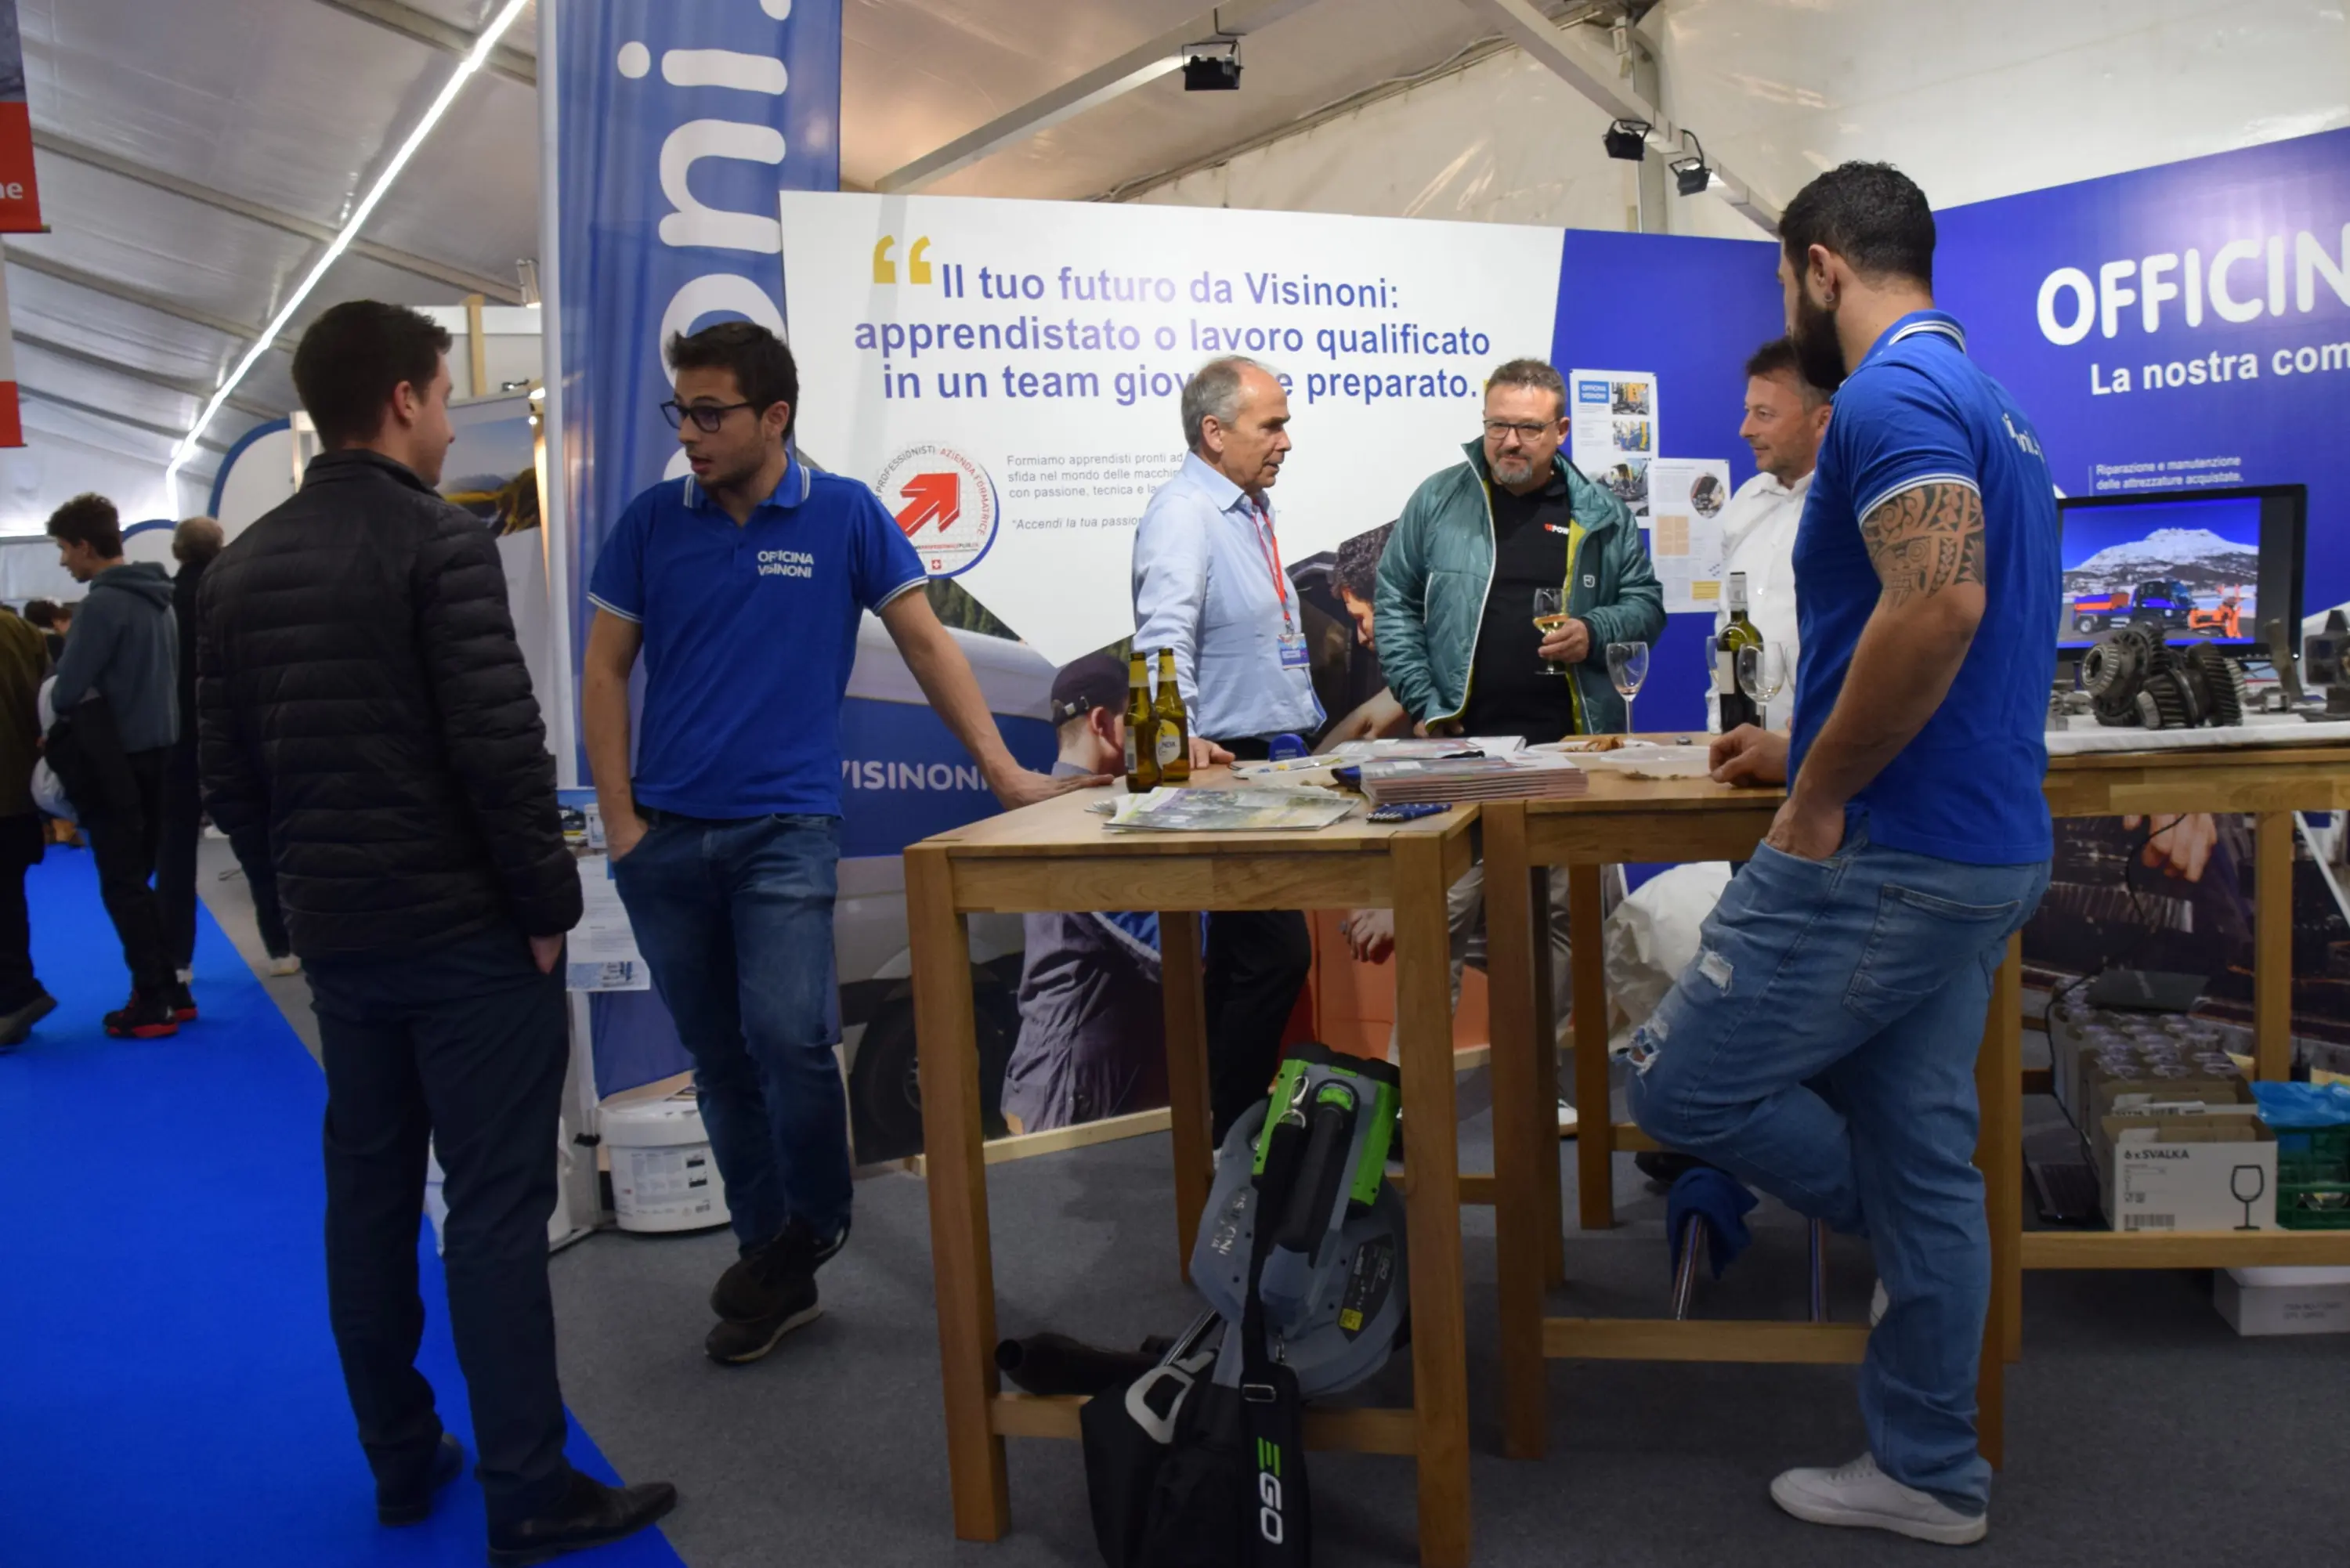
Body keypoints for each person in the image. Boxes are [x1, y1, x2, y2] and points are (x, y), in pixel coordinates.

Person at [199, 299, 674, 1561]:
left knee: (365, 1200)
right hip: (467, 940)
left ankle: (401, 1460)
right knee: (495, 1210)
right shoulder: (437, 547)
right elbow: (498, 750)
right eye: (447, 391)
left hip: (347, 946)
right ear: (405, 399)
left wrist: (291, 905)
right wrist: (544, 906)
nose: (454, 413)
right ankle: (528, 1485)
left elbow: (229, 774)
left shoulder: (240, 566)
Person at [1625, 163, 2059, 1545]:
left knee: (1685, 1086)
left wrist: (1813, 792)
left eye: (1780, 288)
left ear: (1819, 267)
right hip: (1976, 842)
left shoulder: (1889, 393)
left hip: (1892, 847)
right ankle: (1930, 1470)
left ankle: (1936, 1287)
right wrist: (1798, 739)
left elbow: (1938, 607)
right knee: (1929, 1159)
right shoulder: (1990, 401)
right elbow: (1935, 617)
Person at [584, 320, 1086, 1366]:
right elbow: (603, 669)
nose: (691, 432)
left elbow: (925, 640)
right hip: (666, 840)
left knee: (789, 1038)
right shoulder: (648, 523)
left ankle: (814, 1217)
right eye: (681, 410)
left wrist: (1003, 772)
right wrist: (621, 821)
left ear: (776, 416)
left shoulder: (846, 513)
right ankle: (775, 1262)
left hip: (784, 831)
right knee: (717, 1060)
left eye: (711, 411)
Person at [1368, 359, 1665, 1127]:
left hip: (1567, 756)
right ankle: (1409, 1094)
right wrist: (1422, 700)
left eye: (1527, 427)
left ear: (1560, 431)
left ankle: (1537, 1081)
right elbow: (1394, 597)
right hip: (1461, 752)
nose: (1508, 440)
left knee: (1563, 923)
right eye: (1497, 423)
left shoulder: (1599, 509)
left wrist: (1593, 631)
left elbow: (1647, 605)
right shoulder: (1441, 497)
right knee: (1438, 914)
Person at [1130, 356, 1318, 1140]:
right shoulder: (1185, 512)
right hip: (1226, 769)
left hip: (1267, 764)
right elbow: (1161, 637)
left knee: (1248, 960)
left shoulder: (1245, 506)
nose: (1286, 440)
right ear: (1215, 433)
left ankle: (1218, 1133)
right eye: (1269, 425)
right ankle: (1231, 1132)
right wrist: (1171, 759)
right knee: (1272, 957)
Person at [999, 654, 1191, 1134]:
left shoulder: (1067, 807)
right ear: (1105, 723)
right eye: (1140, 719)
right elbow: (1176, 950)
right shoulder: (1083, 821)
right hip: (1071, 1091)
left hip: (1063, 1079)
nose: (1150, 734)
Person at [47, 492, 185, 1036]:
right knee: (139, 878)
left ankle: (152, 1001)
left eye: (63, 548)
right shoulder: (161, 598)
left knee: (121, 884)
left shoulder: (102, 606)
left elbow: (67, 691)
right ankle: (172, 987)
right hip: (162, 753)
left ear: (84, 545)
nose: (63, 561)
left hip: (116, 763)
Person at [1712, 338, 1834, 728]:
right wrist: (1719, 724)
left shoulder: (1849, 510)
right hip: (1735, 744)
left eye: (1764, 414)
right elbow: (1726, 625)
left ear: (1822, 420)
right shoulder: (1744, 502)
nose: (1745, 429)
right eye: (1748, 411)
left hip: (1818, 755)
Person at [156, 517, 224, 992]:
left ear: (178, 553)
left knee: (175, 854)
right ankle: (284, 947)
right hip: (232, 736)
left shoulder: (164, 605)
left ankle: (178, 961)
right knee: (264, 846)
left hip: (175, 739)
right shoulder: (233, 596)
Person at [0, 603, 51, 1047]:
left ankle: (15, 997)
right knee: (8, 900)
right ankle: (16, 994)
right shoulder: (20, 631)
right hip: (18, 790)